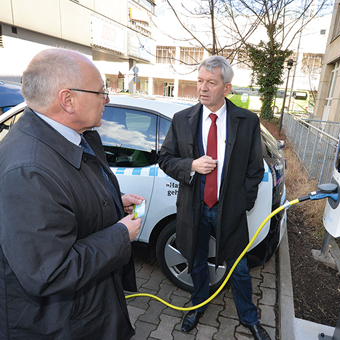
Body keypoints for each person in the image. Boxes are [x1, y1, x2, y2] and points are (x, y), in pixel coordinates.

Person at [0, 48, 145, 339]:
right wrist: (120, 235)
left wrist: (115, 204)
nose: (107, 99)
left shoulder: (73, 135)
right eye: (101, 92)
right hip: (62, 326)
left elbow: (69, 202)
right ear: (68, 100)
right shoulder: (29, 171)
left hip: (87, 309)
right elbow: (49, 272)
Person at [158, 55, 271, 340]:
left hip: (228, 209)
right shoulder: (182, 119)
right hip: (193, 208)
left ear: (227, 88)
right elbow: (165, 159)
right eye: (199, 81)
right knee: (196, 261)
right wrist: (191, 166)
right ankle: (198, 305)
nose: (202, 88)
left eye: (211, 82)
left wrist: (242, 203)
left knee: (239, 267)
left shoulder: (247, 121)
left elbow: (255, 169)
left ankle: (249, 318)